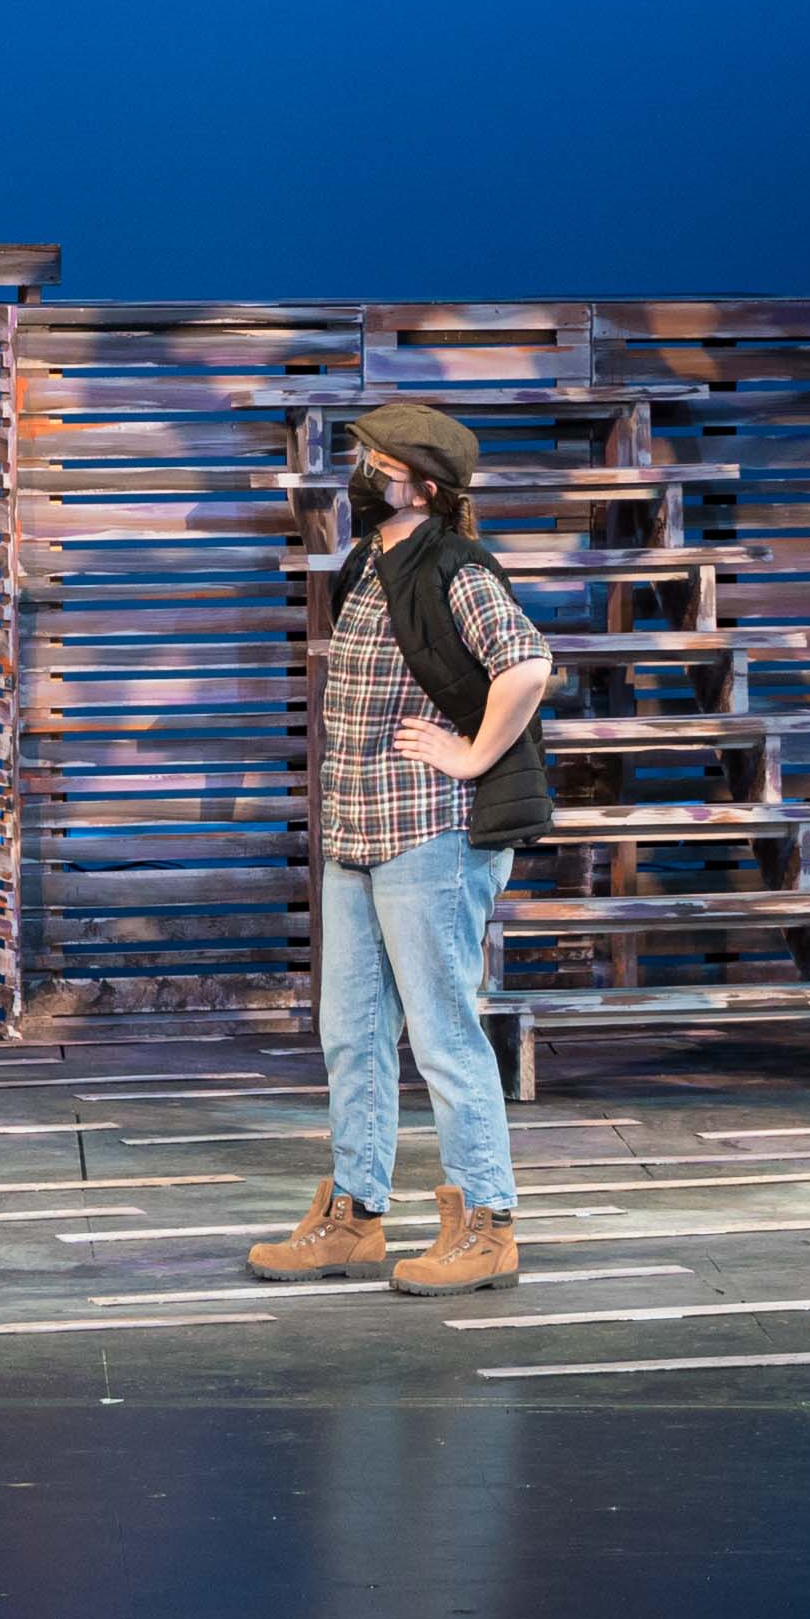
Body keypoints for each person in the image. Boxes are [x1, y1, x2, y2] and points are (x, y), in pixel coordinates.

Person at [250, 400, 556, 1298]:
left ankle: (486, 1222)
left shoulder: (454, 565)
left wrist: (469, 752)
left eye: (372, 461)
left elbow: (527, 663)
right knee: (349, 1031)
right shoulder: (366, 560)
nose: (358, 473)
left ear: (420, 485)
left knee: (443, 1033)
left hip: (428, 829)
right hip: (356, 827)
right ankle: (355, 1213)